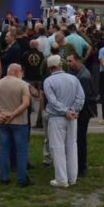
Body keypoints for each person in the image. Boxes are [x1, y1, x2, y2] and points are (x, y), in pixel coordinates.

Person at [43, 55, 85, 188]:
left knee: (57, 148)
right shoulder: (73, 78)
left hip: (57, 117)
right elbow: (81, 97)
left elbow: (52, 100)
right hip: (72, 117)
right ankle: (72, 177)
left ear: (50, 67)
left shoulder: (48, 81)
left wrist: (66, 111)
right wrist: (73, 110)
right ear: (60, 65)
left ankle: (61, 179)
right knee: (72, 146)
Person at [0, 63, 32, 187]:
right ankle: (22, 179)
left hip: (3, 121)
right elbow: (26, 103)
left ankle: (4, 177)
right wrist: (13, 114)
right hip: (19, 122)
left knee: (4, 150)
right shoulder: (23, 84)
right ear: (17, 71)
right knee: (21, 151)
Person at [65, 51, 97, 177]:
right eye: (67, 61)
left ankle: (80, 167)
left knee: (79, 140)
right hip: (81, 112)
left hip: (82, 113)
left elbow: (83, 98)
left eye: (70, 61)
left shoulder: (83, 77)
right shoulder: (78, 73)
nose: (68, 63)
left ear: (78, 61)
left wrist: (74, 111)